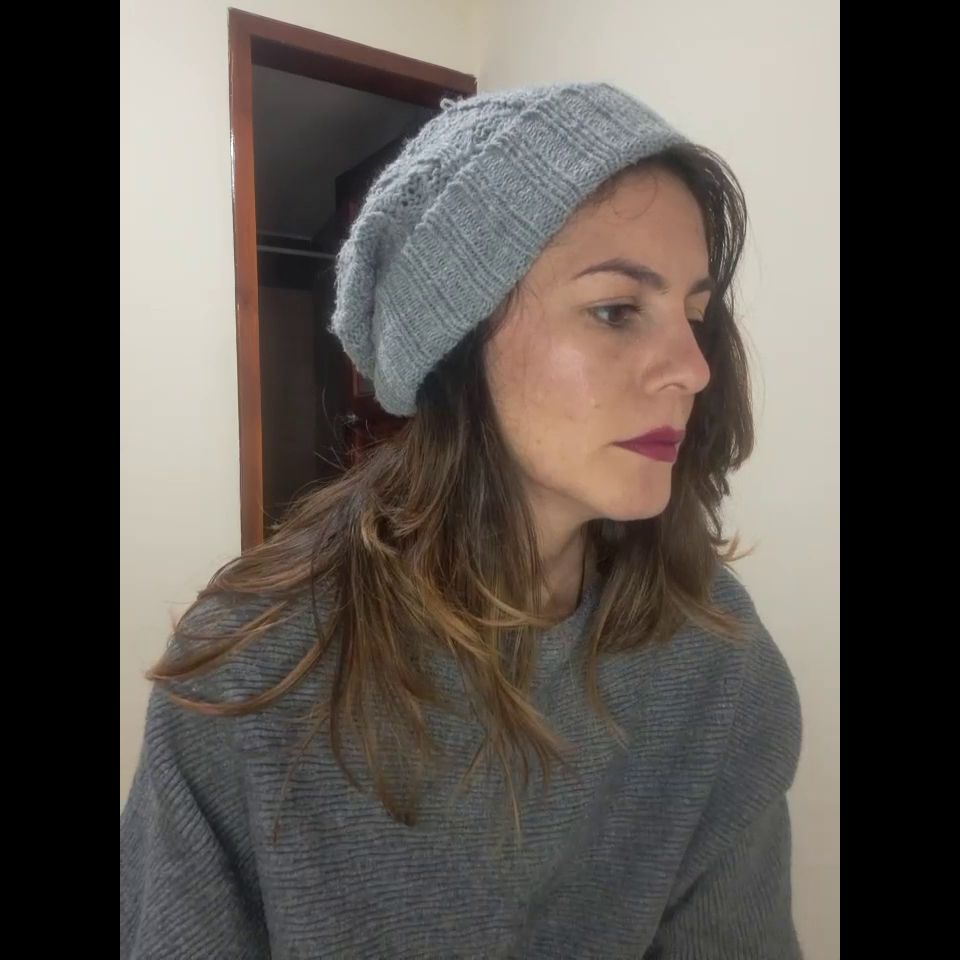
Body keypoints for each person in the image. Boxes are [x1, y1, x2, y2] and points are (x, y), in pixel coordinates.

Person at [120, 81, 802, 959]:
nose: (692, 369)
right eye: (615, 310)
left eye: (695, 317)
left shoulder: (716, 660)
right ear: (457, 339)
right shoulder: (252, 675)